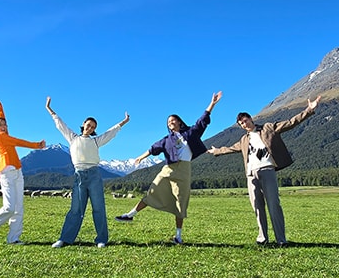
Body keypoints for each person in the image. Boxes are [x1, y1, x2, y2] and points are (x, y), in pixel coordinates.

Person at [207, 96, 321, 246]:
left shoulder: (268, 128)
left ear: (250, 119)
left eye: (245, 120)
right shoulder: (243, 140)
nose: (244, 124)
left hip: (267, 170)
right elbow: (230, 149)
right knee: (257, 206)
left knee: (274, 204)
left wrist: (309, 110)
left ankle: (281, 239)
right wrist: (216, 151)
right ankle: (263, 238)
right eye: (241, 123)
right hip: (251, 175)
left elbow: (290, 123)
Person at [115, 91, 222, 244]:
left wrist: (212, 104)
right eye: (168, 121)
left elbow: (202, 120)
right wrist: (139, 157)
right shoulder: (166, 140)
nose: (170, 122)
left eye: (173, 120)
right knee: (153, 190)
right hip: (168, 169)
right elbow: (153, 149)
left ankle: (178, 236)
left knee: (181, 201)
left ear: (179, 122)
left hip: (184, 170)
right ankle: (130, 214)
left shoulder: (191, 133)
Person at [45, 96, 129, 248]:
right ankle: (64, 238)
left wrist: (123, 122)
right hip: (79, 175)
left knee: (98, 208)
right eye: (88, 125)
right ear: (83, 125)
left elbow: (111, 132)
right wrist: (49, 109)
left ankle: (101, 239)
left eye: (93, 127)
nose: (90, 128)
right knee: (76, 209)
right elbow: (60, 124)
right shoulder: (73, 138)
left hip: (94, 175)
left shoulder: (96, 140)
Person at [0, 99, 46, 244]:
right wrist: (37, 145)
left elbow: (2, 118)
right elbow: (19, 142)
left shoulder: (5, 133)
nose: (3, 126)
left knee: (18, 208)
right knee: (9, 207)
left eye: (5, 125)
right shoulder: (0, 137)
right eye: (0, 125)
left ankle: (13, 238)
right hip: (7, 173)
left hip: (17, 172)